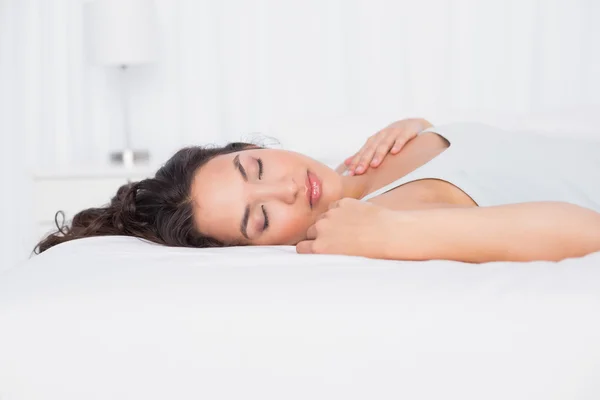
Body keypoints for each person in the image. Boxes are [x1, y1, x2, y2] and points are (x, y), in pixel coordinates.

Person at [34, 118, 600, 263]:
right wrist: (397, 235)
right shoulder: (379, 214)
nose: (285, 191)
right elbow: (586, 230)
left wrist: (424, 125)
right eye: (259, 220)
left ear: (251, 143)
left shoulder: (365, 158)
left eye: (255, 167)